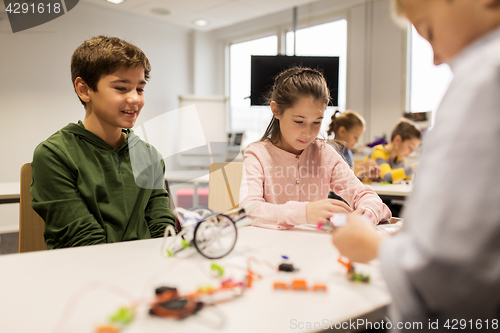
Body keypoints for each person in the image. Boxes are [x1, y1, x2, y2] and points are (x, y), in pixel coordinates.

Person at [333, 0, 500, 330]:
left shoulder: (484, 75)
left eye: (430, 32)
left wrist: (374, 247)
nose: (436, 58)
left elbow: (451, 273)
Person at [30, 36, 176, 249]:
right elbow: (83, 240)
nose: (135, 99)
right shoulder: (54, 154)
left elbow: (162, 228)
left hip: (148, 268)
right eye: (121, 88)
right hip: (87, 272)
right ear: (84, 89)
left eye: (140, 89)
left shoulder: (150, 156)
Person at [239, 67, 391, 230]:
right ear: (276, 110)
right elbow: (248, 210)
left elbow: (367, 197)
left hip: (314, 248)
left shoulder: (324, 154)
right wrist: (304, 212)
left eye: (317, 122)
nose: (308, 133)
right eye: (299, 121)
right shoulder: (257, 154)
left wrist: (368, 212)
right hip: (268, 249)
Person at [327, 110, 379, 180]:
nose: (357, 141)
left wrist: (366, 174)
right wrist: (361, 168)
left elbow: (351, 178)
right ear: (342, 131)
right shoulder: (330, 149)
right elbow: (337, 177)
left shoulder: (347, 151)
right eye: (355, 137)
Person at [368, 119, 421, 183]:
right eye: (410, 147)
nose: (411, 152)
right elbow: (387, 176)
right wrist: (413, 167)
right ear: (397, 140)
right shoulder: (378, 152)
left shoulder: (400, 159)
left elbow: (406, 177)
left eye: (413, 149)